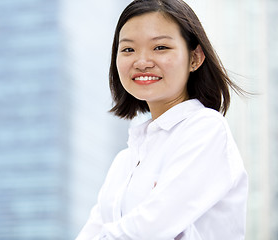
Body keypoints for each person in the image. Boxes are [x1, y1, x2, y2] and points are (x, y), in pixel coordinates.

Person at [76, 0, 248, 239]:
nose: (142, 62)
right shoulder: (124, 161)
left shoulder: (206, 129)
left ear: (195, 57)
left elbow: (150, 228)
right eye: (128, 49)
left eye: (160, 48)